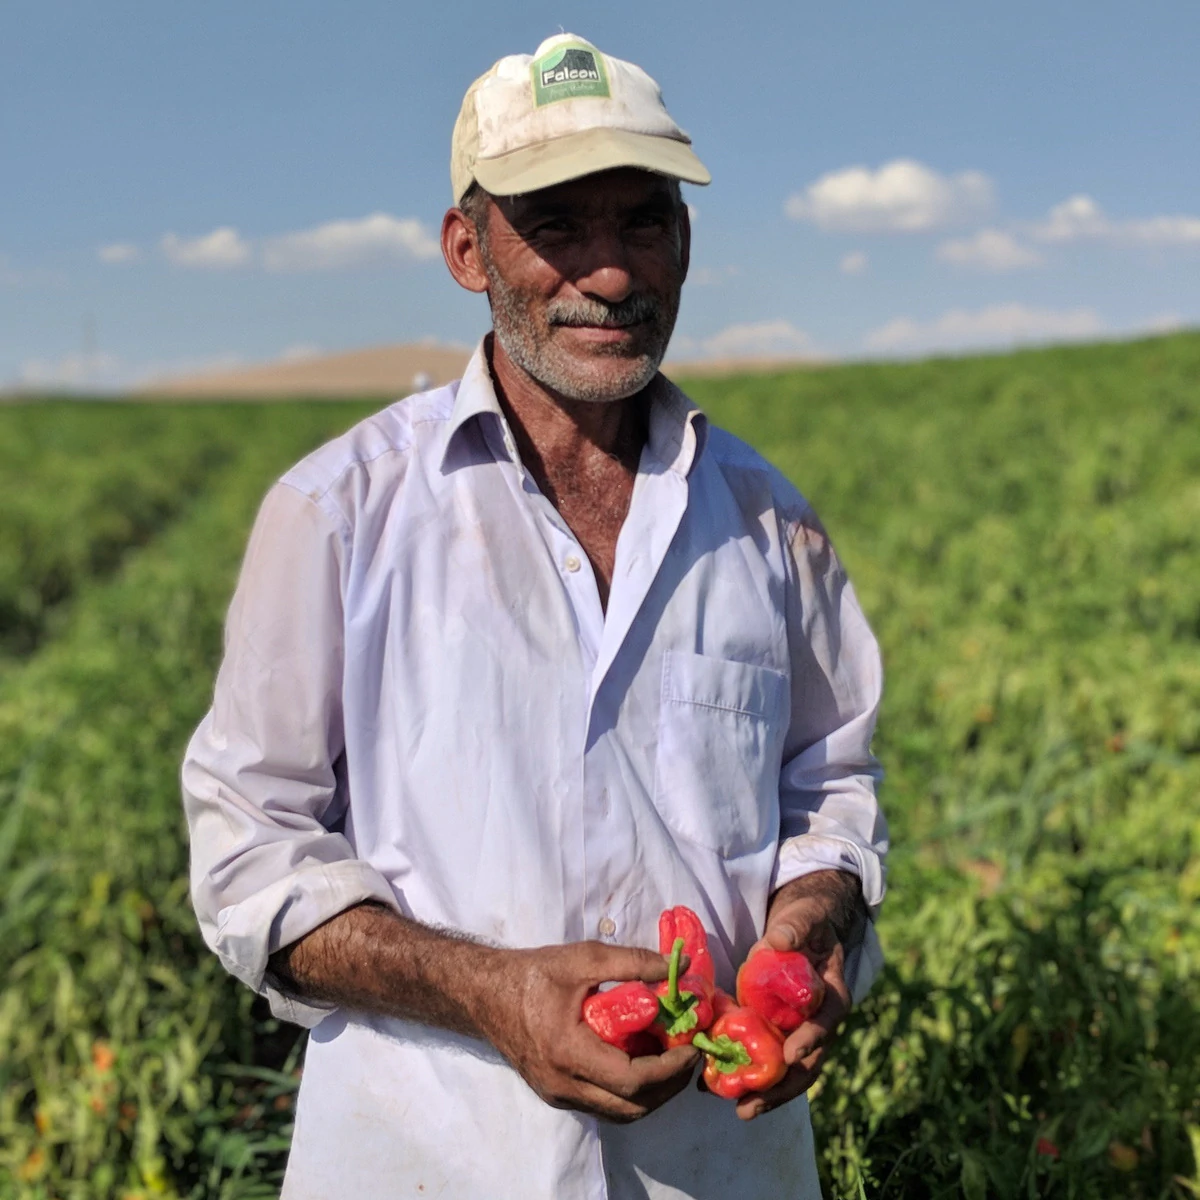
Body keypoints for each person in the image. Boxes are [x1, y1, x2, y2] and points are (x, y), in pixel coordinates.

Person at [182, 32, 887, 1200]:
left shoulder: (771, 526)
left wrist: (811, 936)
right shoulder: (340, 515)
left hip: (715, 1164)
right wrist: (490, 993)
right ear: (469, 250)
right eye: (556, 226)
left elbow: (832, 789)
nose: (610, 274)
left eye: (642, 222)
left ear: (686, 242)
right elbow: (251, 853)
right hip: (428, 1159)